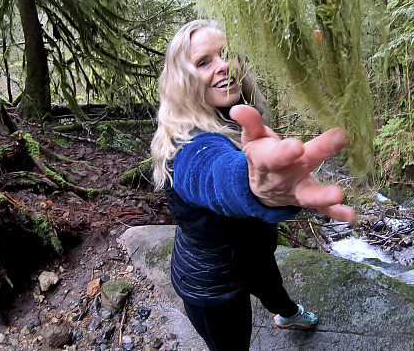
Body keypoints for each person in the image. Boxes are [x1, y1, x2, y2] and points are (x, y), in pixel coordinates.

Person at [151, 19, 356, 350]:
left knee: (272, 288)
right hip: (214, 284)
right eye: (204, 62)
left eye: (227, 54)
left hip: (254, 255)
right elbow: (214, 172)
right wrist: (251, 184)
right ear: (182, 81)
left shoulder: (239, 115)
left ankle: (288, 314)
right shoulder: (185, 145)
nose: (224, 66)